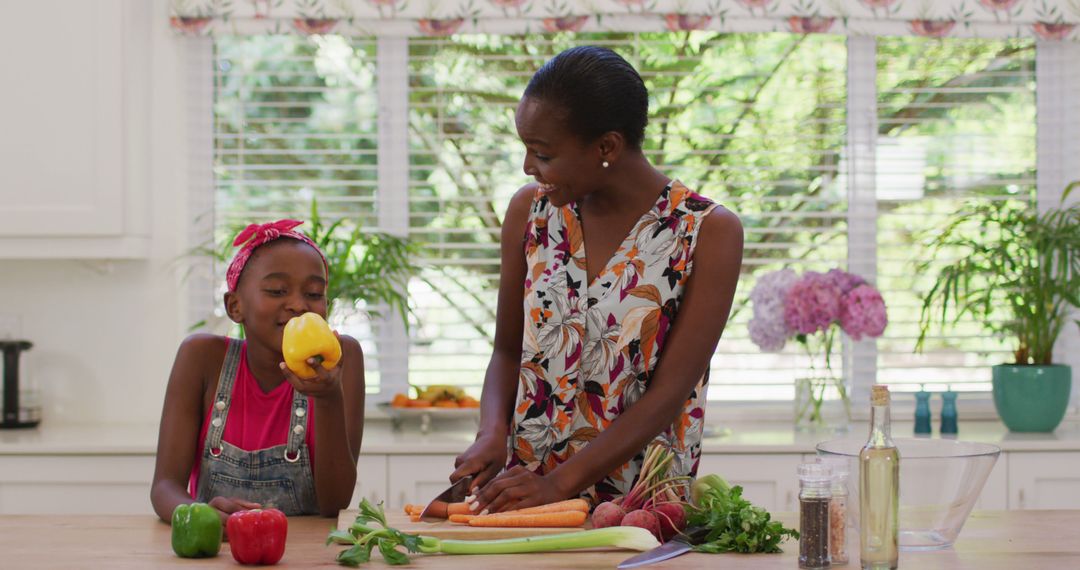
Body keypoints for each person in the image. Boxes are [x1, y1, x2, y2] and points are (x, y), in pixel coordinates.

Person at [451, 46, 745, 514]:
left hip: (638, 508)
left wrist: (560, 484)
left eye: (543, 153)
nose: (528, 166)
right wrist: (490, 434)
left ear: (607, 146)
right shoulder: (530, 213)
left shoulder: (707, 232)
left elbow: (669, 394)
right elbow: (507, 351)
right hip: (526, 498)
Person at [151, 219, 365, 524]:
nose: (298, 304)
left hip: (305, 554)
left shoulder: (342, 358)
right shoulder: (201, 358)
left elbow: (334, 504)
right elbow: (164, 487)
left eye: (314, 294)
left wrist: (329, 398)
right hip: (217, 550)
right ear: (235, 306)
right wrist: (199, 516)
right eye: (277, 291)